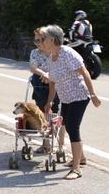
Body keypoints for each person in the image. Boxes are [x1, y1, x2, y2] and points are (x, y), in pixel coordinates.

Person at [39, 24, 101, 180]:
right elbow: (53, 81)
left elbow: (85, 72)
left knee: (73, 128)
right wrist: (49, 102)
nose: (40, 41)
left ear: (52, 40)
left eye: (43, 39)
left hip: (79, 96)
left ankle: (76, 169)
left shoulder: (67, 53)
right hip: (66, 98)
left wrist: (93, 95)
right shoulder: (51, 57)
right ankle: (81, 158)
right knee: (66, 124)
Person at [28, 28, 61, 153]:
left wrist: (50, 75)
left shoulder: (55, 52)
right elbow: (33, 68)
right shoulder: (34, 53)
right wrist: (45, 74)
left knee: (55, 111)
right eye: (36, 40)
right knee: (42, 110)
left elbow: (60, 68)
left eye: (40, 40)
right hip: (40, 81)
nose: (38, 43)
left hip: (56, 80)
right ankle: (46, 142)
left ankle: (56, 141)